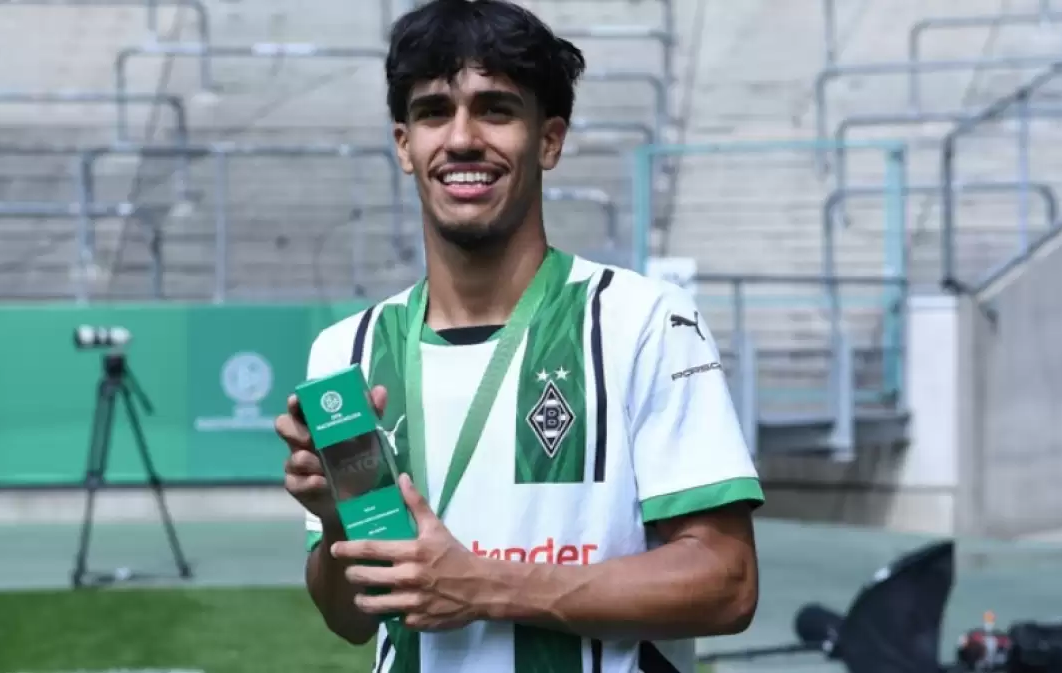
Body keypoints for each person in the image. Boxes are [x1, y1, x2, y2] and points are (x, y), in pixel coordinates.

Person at [274, 1, 765, 671]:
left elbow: (728, 582)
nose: (462, 139)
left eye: (496, 110)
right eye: (434, 112)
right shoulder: (347, 352)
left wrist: (485, 585)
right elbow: (351, 620)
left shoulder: (644, 322)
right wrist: (339, 518)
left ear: (549, 140)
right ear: (404, 145)